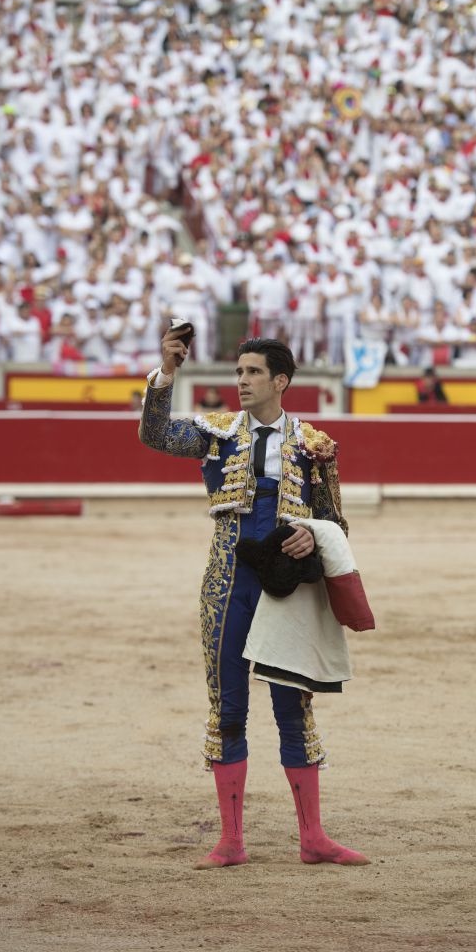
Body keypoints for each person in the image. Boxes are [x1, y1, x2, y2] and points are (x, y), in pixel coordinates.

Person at [139, 327, 369, 869]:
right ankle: (231, 841)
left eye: (252, 372)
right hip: (227, 583)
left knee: (293, 705)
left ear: (280, 381)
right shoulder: (216, 432)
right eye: (238, 371)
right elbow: (155, 436)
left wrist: (313, 533)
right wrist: (166, 375)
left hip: (286, 585)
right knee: (229, 710)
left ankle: (313, 838)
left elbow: (334, 521)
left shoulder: (315, 444)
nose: (241, 381)